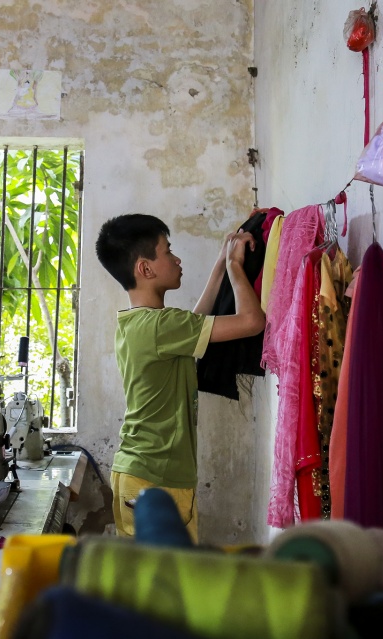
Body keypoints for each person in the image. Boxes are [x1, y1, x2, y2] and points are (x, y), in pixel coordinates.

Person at [95, 214, 265, 541]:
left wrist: (221, 260)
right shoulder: (162, 326)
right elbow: (251, 321)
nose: (177, 259)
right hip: (154, 477)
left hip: (143, 472)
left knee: (159, 580)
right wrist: (234, 267)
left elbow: (196, 322)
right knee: (163, 583)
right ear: (145, 269)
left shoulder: (140, 323)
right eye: (168, 252)